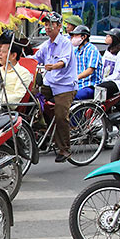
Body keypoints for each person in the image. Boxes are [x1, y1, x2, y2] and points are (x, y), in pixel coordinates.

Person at [32, 12, 77, 162]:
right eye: (45, 24)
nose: (48, 27)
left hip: (65, 86)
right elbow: (34, 59)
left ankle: (65, 149)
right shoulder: (46, 45)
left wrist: (54, 66)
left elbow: (64, 61)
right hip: (49, 83)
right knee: (32, 98)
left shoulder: (66, 43)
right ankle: (43, 129)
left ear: (58, 26)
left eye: (51, 24)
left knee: (60, 114)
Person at [0, 32, 31, 107]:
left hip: (2, 108)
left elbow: (17, 97)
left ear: (13, 55)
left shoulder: (23, 73)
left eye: (3, 52)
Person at [70, 25, 102, 100]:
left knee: (73, 98)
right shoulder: (75, 51)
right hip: (77, 85)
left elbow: (90, 70)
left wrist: (76, 77)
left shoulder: (92, 50)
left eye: (76, 35)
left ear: (83, 37)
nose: (73, 38)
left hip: (89, 86)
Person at [95, 31, 120, 97]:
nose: (106, 37)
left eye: (108, 36)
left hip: (118, 82)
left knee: (101, 88)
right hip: (107, 80)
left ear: (114, 39)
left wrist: (104, 80)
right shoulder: (108, 51)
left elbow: (118, 74)